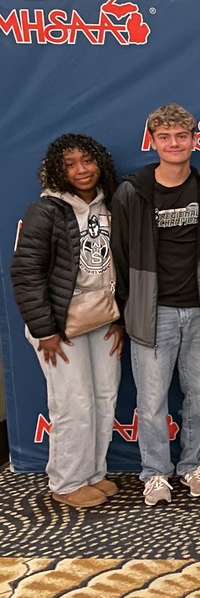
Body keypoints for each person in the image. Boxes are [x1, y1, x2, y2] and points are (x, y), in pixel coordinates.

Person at [111, 104, 200, 507]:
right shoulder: (133, 190)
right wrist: (128, 307)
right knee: (152, 400)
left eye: (181, 136)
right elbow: (118, 255)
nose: (174, 144)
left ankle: (193, 464)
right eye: (165, 137)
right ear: (152, 141)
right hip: (151, 311)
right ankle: (155, 474)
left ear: (194, 139)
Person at [11, 134, 124, 508]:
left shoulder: (113, 205)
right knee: (72, 403)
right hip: (58, 324)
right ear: (58, 170)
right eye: (71, 164)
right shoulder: (44, 211)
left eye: (87, 161)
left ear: (100, 163)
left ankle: (92, 474)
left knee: (104, 398)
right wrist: (44, 330)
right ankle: (66, 481)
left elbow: (123, 265)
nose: (81, 170)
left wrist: (120, 316)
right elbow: (26, 273)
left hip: (102, 317)